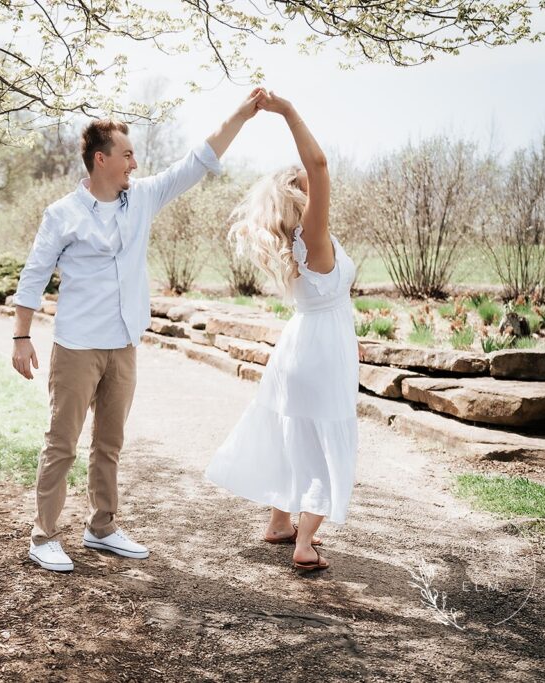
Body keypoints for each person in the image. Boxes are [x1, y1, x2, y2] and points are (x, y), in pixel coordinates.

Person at [12, 89, 266, 572]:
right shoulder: (62, 214)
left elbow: (197, 161)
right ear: (101, 159)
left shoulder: (142, 197)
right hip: (77, 347)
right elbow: (33, 274)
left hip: (123, 344)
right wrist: (21, 337)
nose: (135, 161)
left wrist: (241, 115)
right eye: (127, 153)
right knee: (62, 443)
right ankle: (44, 536)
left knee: (109, 444)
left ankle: (101, 527)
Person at [205, 90, 359, 572]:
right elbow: (319, 162)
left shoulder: (294, 245)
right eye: (305, 183)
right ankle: (305, 542)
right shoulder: (313, 236)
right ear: (300, 193)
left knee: (290, 429)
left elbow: (312, 169)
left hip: (297, 345)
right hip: (322, 349)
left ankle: (278, 523)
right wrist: (289, 111)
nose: (314, 187)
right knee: (321, 438)